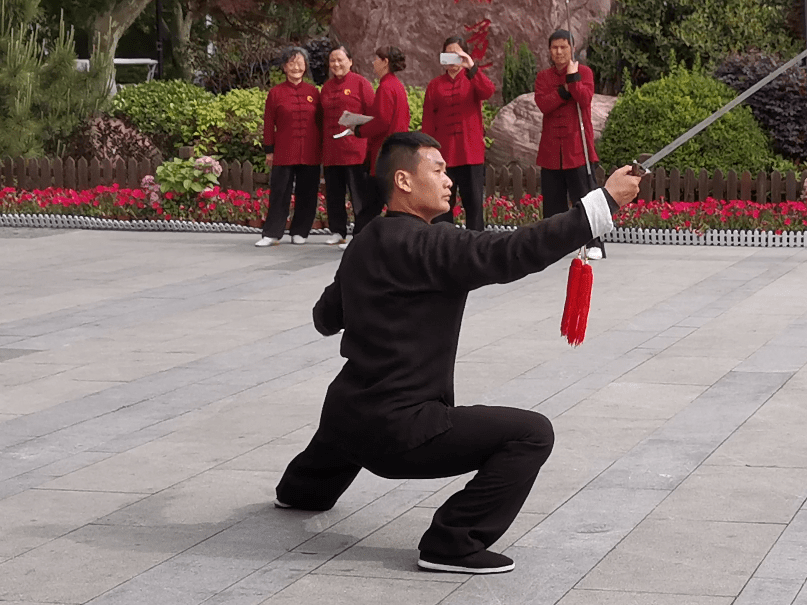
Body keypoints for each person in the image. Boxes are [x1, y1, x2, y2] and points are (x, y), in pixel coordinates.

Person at [274, 131, 643, 575]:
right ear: (404, 181)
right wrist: (603, 202)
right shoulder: (433, 245)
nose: (449, 180)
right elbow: (514, 251)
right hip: (400, 435)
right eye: (438, 169)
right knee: (532, 434)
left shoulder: (367, 239)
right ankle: (452, 541)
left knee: (349, 415)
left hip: (344, 419)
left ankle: (302, 489)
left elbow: (325, 317)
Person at [534, 29, 604, 260]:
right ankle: (554, 245)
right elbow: (544, 104)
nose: (559, 51)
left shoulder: (583, 72)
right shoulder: (543, 77)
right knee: (553, 202)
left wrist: (573, 79)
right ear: (549, 51)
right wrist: (564, 91)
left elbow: (584, 98)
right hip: (552, 149)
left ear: (572, 48)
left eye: (564, 47)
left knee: (585, 198)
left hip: (578, 148)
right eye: (555, 47)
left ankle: (594, 243)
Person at [421, 36, 496, 231]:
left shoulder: (472, 79)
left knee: (473, 204)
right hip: (444, 154)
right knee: (442, 203)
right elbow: (428, 121)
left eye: (457, 54)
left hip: (470, 153)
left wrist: (471, 67)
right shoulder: (435, 85)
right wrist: (427, 152)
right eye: (448, 54)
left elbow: (488, 91)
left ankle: (476, 245)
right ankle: (444, 242)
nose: (452, 59)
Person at [256, 47, 322, 247]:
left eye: (300, 63)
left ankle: (300, 231)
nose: (296, 67)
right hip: (285, 150)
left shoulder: (313, 92)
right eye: (292, 63)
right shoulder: (276, 93)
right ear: (284, 67)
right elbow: (269, 124)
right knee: (279, 192)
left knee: (308, 192)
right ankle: (272, 233)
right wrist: (269, 150)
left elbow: (320, 122)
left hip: (310, 151)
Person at [351, 45, 410, 236]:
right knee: (388, 200)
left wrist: (360, 130)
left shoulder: (386, 87)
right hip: (396, 150)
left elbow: (383, 121)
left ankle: (360, 237)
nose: (373, 63)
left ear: (385, 62)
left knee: (372, 203)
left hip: (384, 152)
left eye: (377, 59)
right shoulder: (397, 86)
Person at [319, 45, 374, 248]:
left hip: (355, 150)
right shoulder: (326, 87)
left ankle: (360, 233)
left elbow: (371, 116)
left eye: (340, 60)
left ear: (350, 61)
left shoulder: (361, 83)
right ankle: (337, 230)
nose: (336, 64)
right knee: (334, 193)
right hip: (332, 151)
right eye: (332, 60)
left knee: (358, 195)